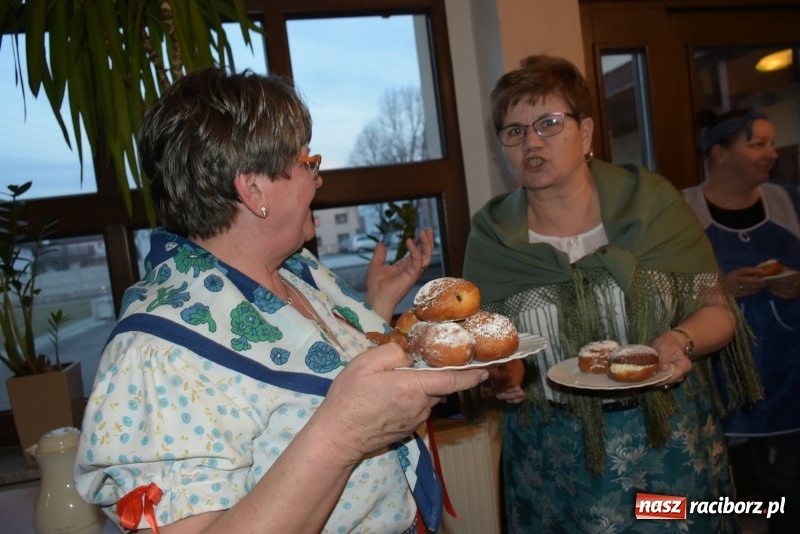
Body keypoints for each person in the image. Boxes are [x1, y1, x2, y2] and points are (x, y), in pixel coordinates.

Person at [74, 67, 488, 534]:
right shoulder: (155, 354)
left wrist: (378, 305)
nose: (317, 180)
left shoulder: (299, 272)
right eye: (306, 164)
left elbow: (319, 373)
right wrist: (342, 437)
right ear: (253, 191)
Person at [462, 54, 763, 533]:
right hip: (552, 462)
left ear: (585, 134)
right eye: (514, 131)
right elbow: (488, 347)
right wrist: (503, 374)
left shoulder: (653, 203)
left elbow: (717, 310)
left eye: (549, 123)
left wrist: (679, 341)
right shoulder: (491, 236)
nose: (531, 142)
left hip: (667, 444)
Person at [683, 108, 800, 534]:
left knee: (788, 500)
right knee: (727, 502)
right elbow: (657, 290)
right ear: (719, 153)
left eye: (771, 143)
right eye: (757, 144)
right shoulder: (682, 211)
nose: (771, 153)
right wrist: (719, 289)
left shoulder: (790, 202)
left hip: (790, 379)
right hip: (718, 382)